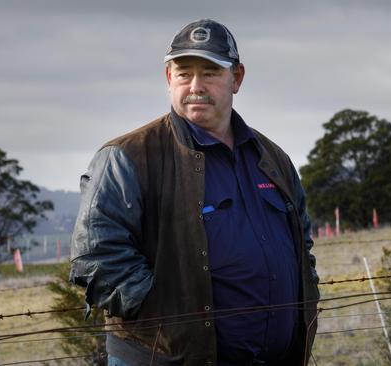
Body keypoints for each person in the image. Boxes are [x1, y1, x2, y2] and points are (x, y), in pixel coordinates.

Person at [69, 18, 320, 366]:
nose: (196, 85)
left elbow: (301, 243)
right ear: (169, 78)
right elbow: (96, 258)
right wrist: (169, 315)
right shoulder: (127, 157)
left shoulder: (273, 158)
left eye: (211, 72)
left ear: (237, 78)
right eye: (184, 73)